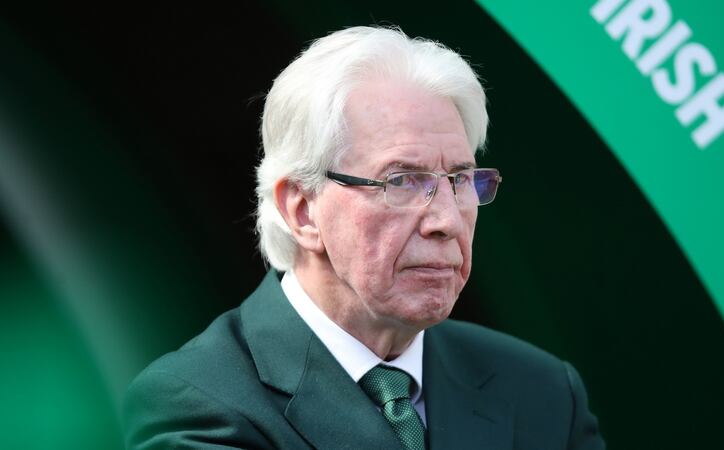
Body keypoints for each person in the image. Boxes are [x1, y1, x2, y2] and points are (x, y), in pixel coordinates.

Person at [123, 25, 605, 450]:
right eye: (401, 181)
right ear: (303, 209)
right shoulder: (199, 403)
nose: (446, 221)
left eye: (460, 180)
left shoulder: (542, 391)